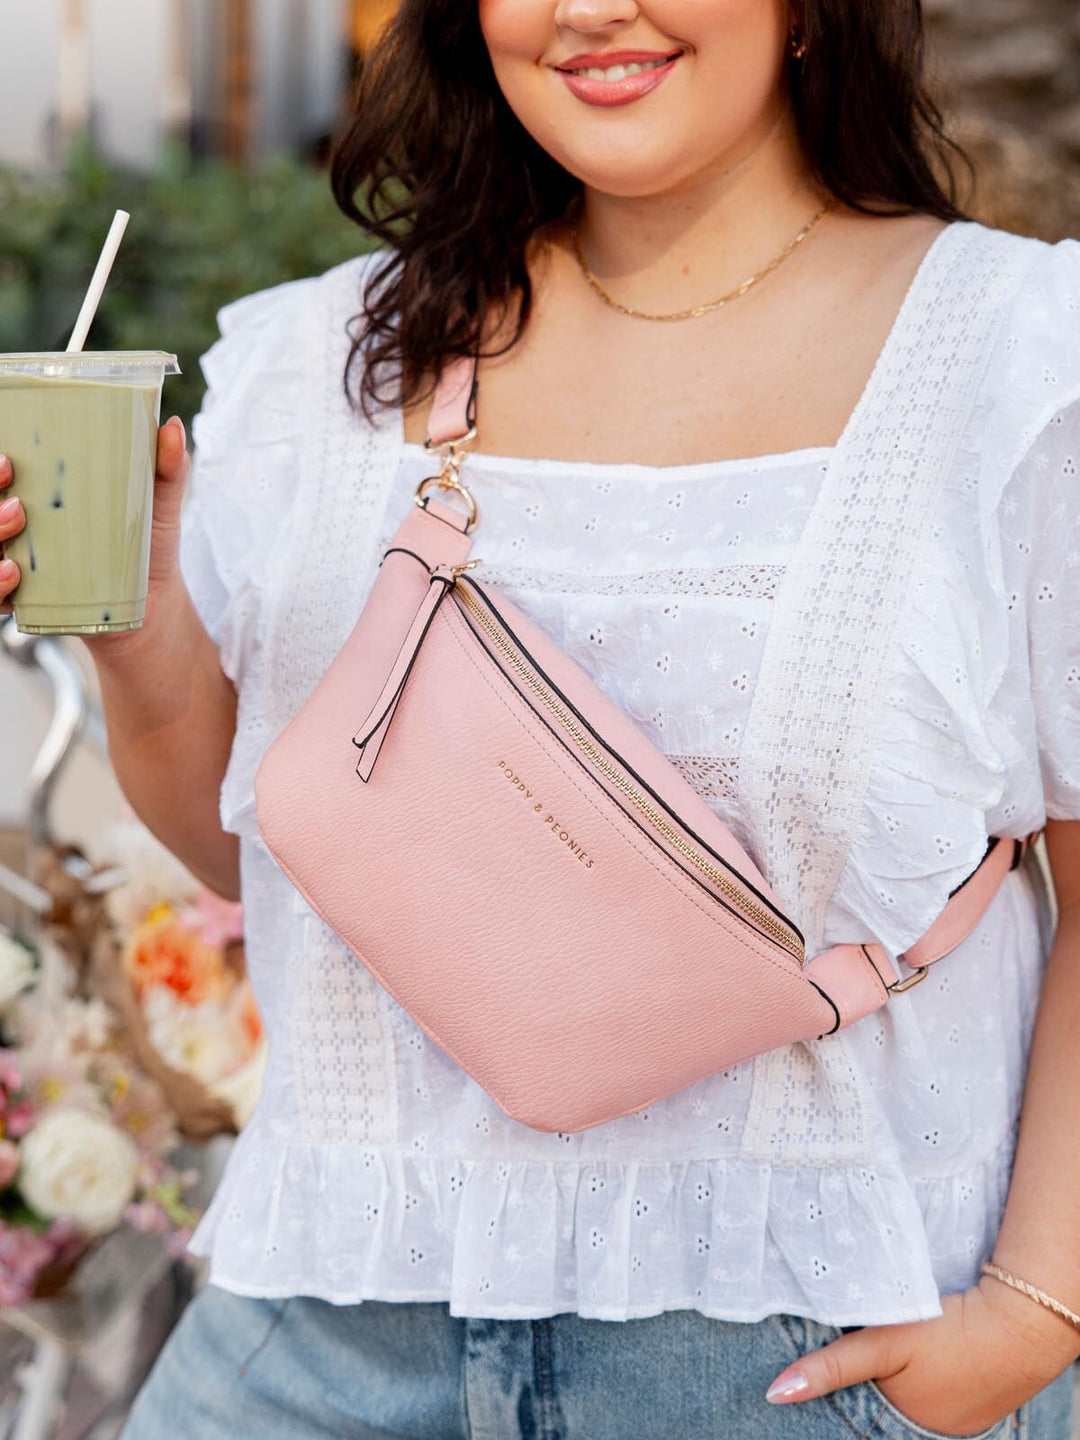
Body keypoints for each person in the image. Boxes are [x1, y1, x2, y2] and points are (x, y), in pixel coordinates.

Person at [3, 1, 1078, 1435]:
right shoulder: (328, 362)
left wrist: (1038, 1307)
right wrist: (137, 619)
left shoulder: (1017, 358)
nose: (587, 9)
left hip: (796, 1356)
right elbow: (243, 848)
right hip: (319, 1330)